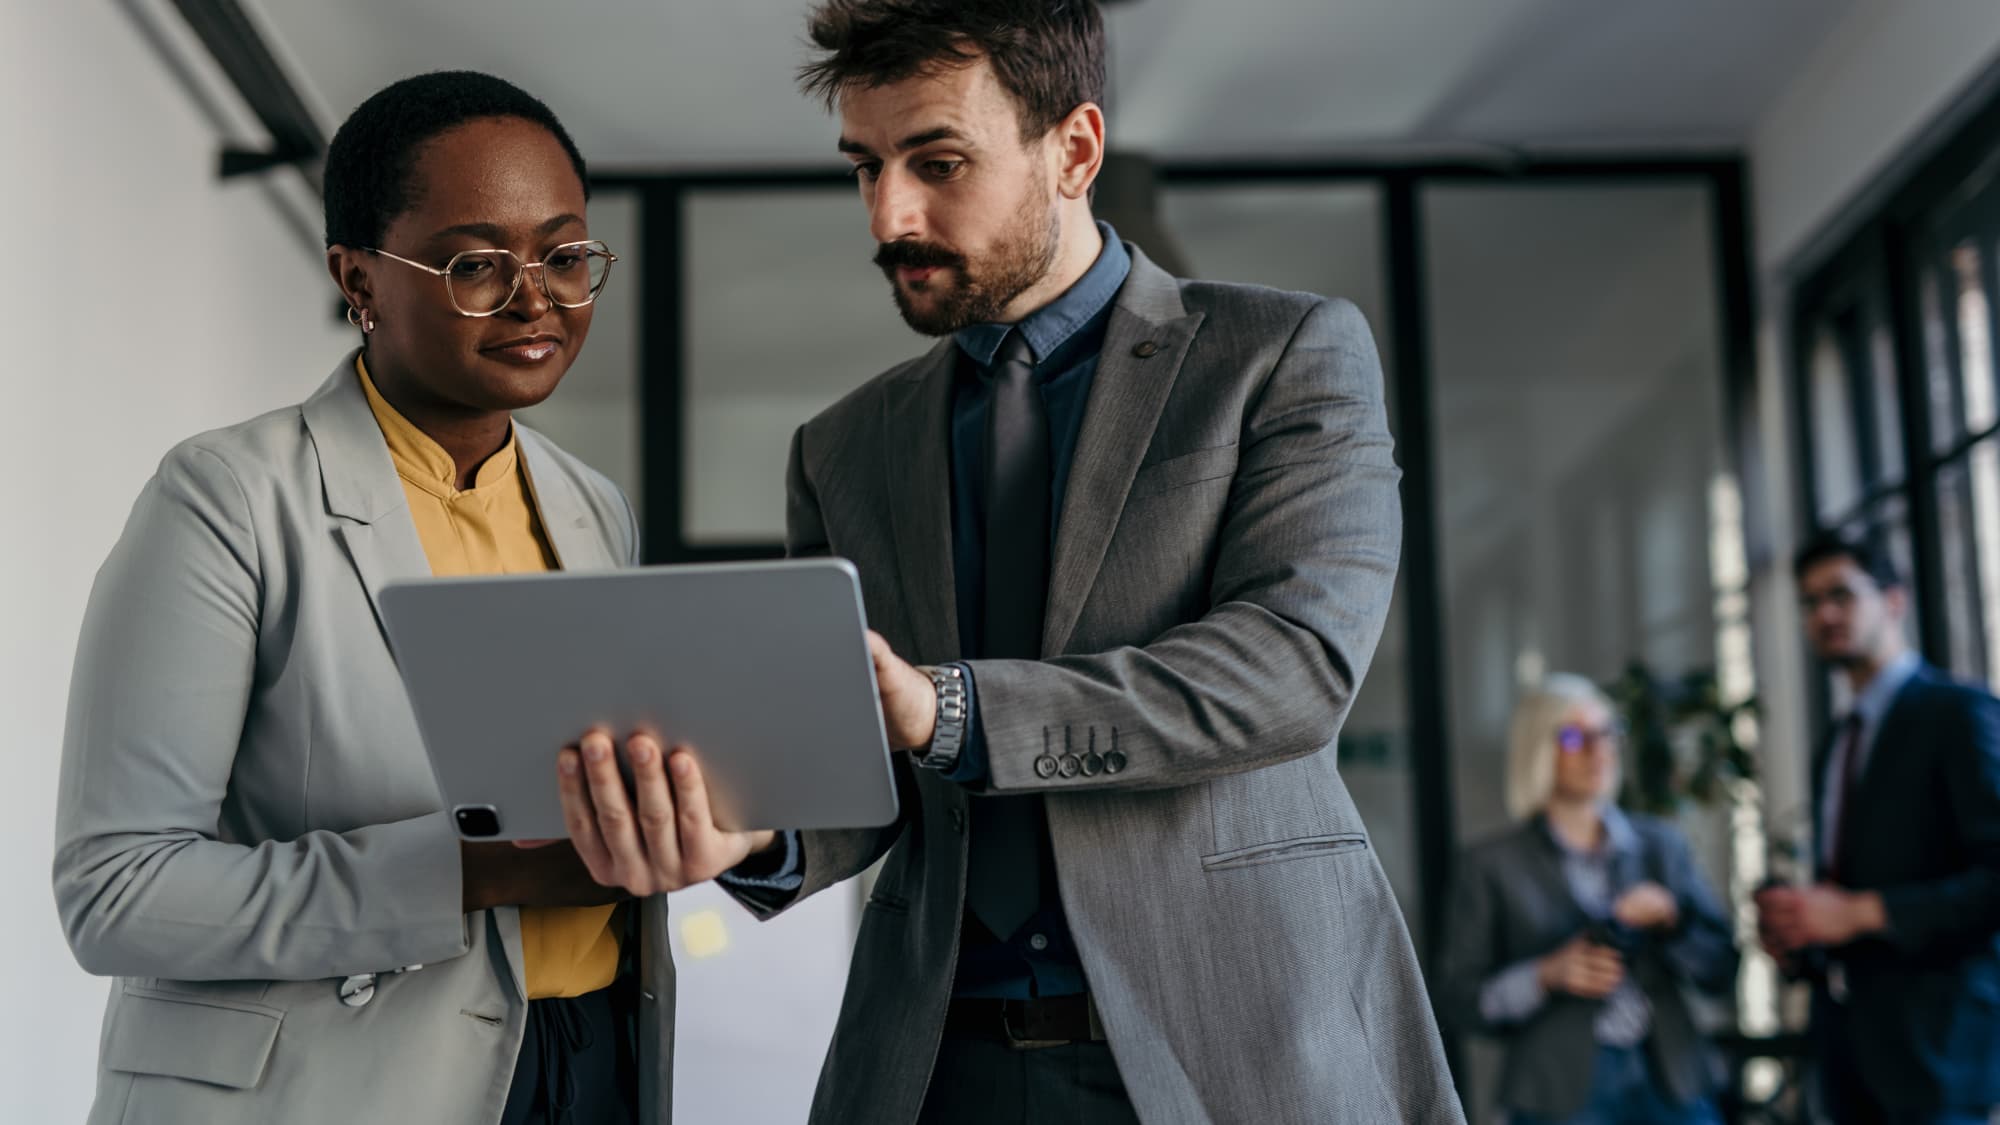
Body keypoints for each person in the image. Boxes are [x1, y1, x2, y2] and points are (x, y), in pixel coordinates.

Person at [603, 1, 1459, 1120]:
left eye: (937, 161)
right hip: (932, 1065)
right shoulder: (841, 449)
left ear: (1075, 151)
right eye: (865, 167)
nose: (890, 213)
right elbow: (862, 768)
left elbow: (1292, 668)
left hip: (1232, 1045)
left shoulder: (1279, 356)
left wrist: (953, 713)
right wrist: (756, 829)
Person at [52, 71, 759, 1125]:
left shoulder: (589, 505)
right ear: (359, 279)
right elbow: (117, 894)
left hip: (596, 1053)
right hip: (340, 1080)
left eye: (565, 255)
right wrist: (473, 872)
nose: (535, 299)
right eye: (476, 264)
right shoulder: (229, 499)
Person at [1755, 531, 2000, 1124]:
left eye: (1841, 594)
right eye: (1810, 603)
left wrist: (1864, 912)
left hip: (1940, 1047)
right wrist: (1802, 929)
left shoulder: (1958, 713)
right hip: (1850, 1048)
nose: (1826, 614)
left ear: (1894, 599)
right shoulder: (1836, 745)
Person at [1440, 675, 1737, 1125]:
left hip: (1670, 1078)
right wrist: (1546, 976)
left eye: (1607, 733)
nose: (1599, 751)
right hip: (1557, 1093)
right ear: (1539, 750)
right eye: (1574, 737)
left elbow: (1722, 968)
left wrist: (1672, 922)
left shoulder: (1660, 847)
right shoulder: (1491, 865)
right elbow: (1457, 1001)